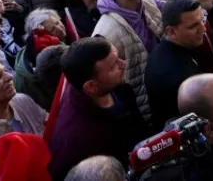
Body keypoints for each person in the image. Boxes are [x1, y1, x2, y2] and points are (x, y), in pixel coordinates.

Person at [48, 38, 150, 178]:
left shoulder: (118, 89)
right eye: (114, 66)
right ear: (91, 86)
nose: (124, 64)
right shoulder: (79, 142)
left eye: (118, 57)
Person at [93, 0, 164, 122]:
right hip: (146, 109)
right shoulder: (105, 32)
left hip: (164, 90)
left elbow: (171, 8)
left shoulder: (146, 1)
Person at [145, 0, 206, 130]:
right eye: (193, 26)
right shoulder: (175, 75)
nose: (203, 29)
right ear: (171, 31)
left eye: (202, 20)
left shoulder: (175, 49)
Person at [14, 8, 67, 110]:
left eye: (57, 22)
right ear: (39, 35)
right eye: (52, 29)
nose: (60, 29)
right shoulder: (48, 59)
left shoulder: (57, 43)